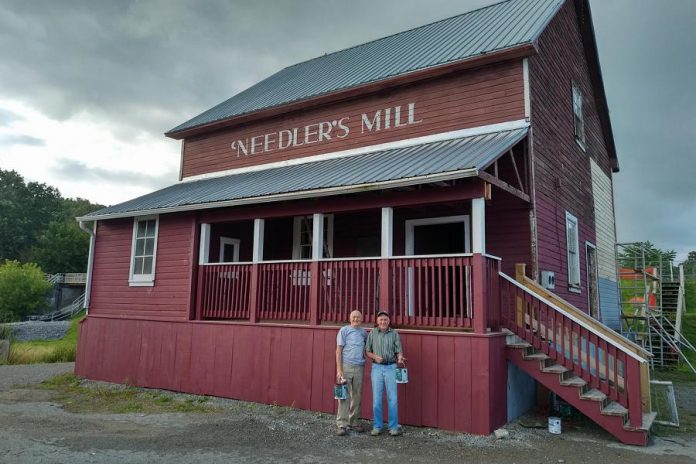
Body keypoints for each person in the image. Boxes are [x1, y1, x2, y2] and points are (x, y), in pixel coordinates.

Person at [365, 310, 406, 436]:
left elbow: (399, 351)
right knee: (377, 399)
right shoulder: (372, 333)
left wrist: (400, 357)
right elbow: (367, 351)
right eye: (381, 320)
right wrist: (375, 357)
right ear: (377, 322)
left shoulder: (394, 334)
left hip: (391, 367)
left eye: (385, 320)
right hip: (377, 368)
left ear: (389, 321)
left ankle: (393, 427)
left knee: (392, 399)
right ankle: (377, 426)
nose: (383, 322)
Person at [335, 310, 368, 436]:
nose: (356, 319)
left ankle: (354, 422)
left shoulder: (363, 332)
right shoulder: (344, 330)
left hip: (359, 367)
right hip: (346, 367)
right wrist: (339, 369)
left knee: (357, 395)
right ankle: (341, 425)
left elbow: (367, 348)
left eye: (358, 317)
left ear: (361, 319)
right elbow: (338, 351)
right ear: (350, 318)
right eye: (354, 317)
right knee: (344, 396)